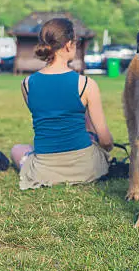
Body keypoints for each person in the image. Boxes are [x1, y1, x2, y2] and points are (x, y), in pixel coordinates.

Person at [11, 18, 114, 190]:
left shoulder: (27, 84)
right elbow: (106, 141)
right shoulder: (86, 84)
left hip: (44, 169)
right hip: (85, 168)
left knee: (17, 149)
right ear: (68, 45)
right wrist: (97, 141)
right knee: (88, 128)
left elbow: (49, 119)